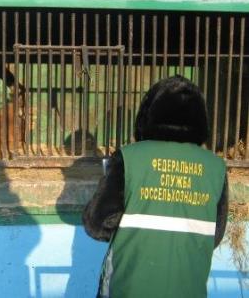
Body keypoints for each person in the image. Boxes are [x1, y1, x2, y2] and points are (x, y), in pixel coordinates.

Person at [82, 75, 228, 298]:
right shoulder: (216, 168)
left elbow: (97, 223)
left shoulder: (129, 158)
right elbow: (215, 235)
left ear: (149, 114)